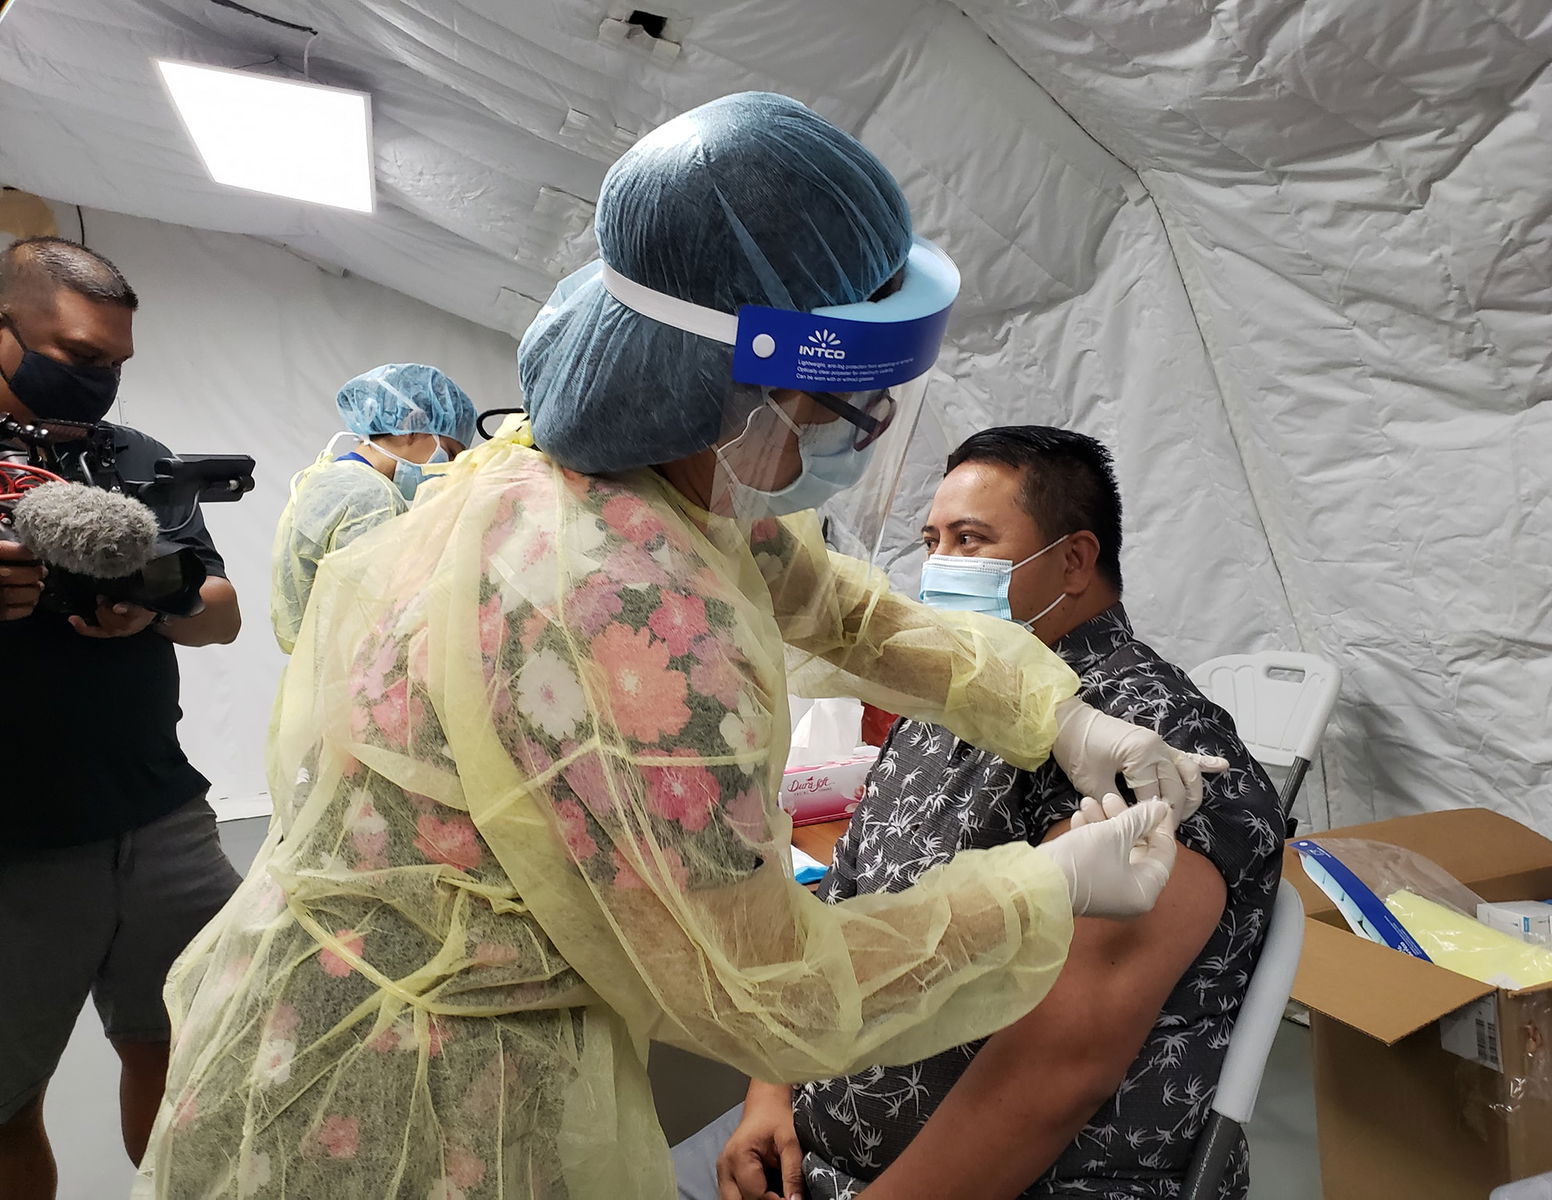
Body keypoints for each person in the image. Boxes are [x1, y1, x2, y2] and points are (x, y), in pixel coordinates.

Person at [136, 94, 1222, 1200]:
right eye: (844, 410)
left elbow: (842, 608)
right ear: (740, 385)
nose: (858, 442)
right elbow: (760, 990)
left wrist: (1056, 714)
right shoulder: (617, 599)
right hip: (421, 1097)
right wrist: (1044, 890)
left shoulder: (629, 477)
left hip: (325, 1001)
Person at [691, 426, 1284, 1200]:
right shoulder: (945, 703)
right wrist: (769, 1096)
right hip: (817, 1159)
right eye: (931, 541)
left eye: (970, 541)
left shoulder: (1155, 748)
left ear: (1074, 561)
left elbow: (1055, 1069)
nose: (939, 568)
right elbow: (838, 903)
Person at [0, 237, 243, 1200]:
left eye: (114, 364)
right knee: (11, 1102)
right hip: (15, 841)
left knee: (187, 1056)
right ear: (5, 331)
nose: (98, 380)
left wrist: (158, 602)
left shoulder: (132, 458)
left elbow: (220, 613)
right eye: (79, 355)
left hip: (161, 817)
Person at [270, 362, 477, 652]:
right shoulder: (373, 497)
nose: (451, 466)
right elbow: (383, 618)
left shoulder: (326, 478)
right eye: (451, 452)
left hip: (320, 671)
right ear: (410, 426)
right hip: (357, 678)